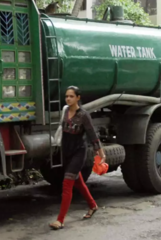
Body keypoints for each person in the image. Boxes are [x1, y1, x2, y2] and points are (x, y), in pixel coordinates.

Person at [49, 86, 106, 230]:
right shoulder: (65, 111)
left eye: (71, 96)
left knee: (67, 184)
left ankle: (60, 220)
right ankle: (93, 205)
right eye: (66, 96)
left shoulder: (84, 115)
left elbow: (92, 134)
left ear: (78, 98)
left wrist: (100, 152)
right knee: (78, 182)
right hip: (66, 152)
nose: (68, 99)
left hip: (78, 153)